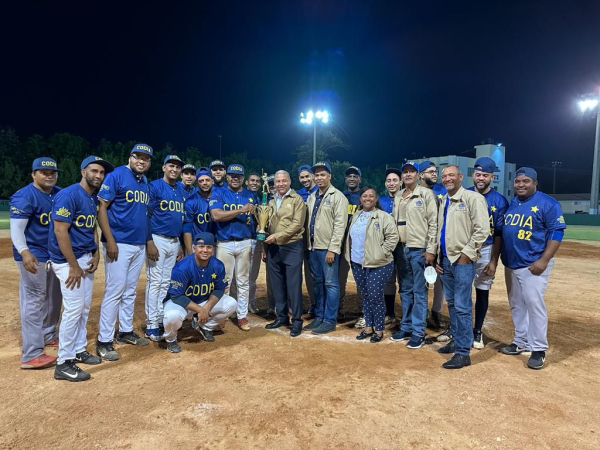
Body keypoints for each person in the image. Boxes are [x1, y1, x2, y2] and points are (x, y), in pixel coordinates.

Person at [50, 156, 114, 381]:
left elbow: (92, 229)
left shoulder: (93, 198)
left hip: (85, 258)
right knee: (74, 309)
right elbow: (60, 231)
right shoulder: (69, 195)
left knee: (84, 308)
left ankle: (78, 349)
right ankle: (63, 362)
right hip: (68, 262)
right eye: (94, 171)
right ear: (82, 171)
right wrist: (73, 266)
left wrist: (96, 254)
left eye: (101, 173)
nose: (98, 175)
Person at [500, 167, 566, 370]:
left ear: (535, 183)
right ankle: (521, 342)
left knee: (534, 305)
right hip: (511, 263)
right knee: (517, 305)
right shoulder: (512, 203)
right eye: (518, 181)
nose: (521, 184)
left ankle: (538, 349)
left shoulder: (548, 203)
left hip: (533, 264)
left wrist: (544, 260)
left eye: (526, 181)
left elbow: (557, 233)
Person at [95, 143, 153, 362]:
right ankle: (103, 341)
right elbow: (102, 208)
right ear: (130, 158)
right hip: (118, 243)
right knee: (115, 291)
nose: (141, 161)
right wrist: (109, 240)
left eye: (145, 159)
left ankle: (125, 331)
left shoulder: (143, 181)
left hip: (137, 244)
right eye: (137, 157)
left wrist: (146, 242)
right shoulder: (116, 175)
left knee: (130, 291)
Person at [10, 157, 62, 369]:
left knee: (54, 297)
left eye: (52, 172)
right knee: (34, 300)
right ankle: (31, 354)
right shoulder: (25, 196)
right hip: (33, 256)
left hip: (53, 254)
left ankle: (48, 333)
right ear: (33, 174)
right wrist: (24, 252)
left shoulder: (58, 194)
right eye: (43, 172)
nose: (49, 175)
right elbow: (17, 229)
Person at [435, 165, 489, 369]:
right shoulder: (444, 200)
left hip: (462, 260)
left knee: (463, 305)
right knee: (452, 303)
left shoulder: (474, 198)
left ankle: (463, 352)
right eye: (444, 176)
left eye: (451, 175)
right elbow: (440, 230)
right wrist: (438, 256)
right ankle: (457, 339)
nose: (447, 179)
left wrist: (467, 254)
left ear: (460, 177)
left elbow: (482, 230)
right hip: (446, 259)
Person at [389, 162, 438, 349]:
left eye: (412, 172)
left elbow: (434, 223)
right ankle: (406, 326)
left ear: (418, 175)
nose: (408, 174)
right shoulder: (398, 196)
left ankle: (418, 331)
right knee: (405, 290)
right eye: (405, 172)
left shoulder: (426, 195)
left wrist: (431, 249)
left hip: (419, 249)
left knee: (419, 291)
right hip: (401, 249)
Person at [162, 232, 237, 352]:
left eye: (209, 247)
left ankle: (205, 327)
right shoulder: (182, 267)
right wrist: (200, 310)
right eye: (201, 247)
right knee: (172, 316)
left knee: (231, 304)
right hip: (181, 304)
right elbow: (176, 296)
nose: (205, 250)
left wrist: (207, 307)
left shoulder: (217, 265)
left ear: (213, 249)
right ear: (194, 248)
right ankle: (171, 339)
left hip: (203, 302)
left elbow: (219, 289)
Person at [345, 186, 398, 342]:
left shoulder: (383, 216)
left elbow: (392, 238)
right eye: (364, 196)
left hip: (378, 264)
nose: (367, 198)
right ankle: (368, 327)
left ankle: (379, 329)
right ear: (360, 199)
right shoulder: (356, 216)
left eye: (371, 196)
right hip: (358, 262)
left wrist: (381, 253)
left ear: (376, 199)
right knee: (366, 296)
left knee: (375, 296)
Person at [208, 164, 258, 331]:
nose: (235, 178)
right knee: (225, 282)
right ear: (227, 177)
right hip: (224, 243)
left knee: (243, 281)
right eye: (232, 175)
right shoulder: (219, 192)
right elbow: (215, 215)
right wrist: (240, 210)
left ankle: (242, 315)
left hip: (245, 241)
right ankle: (223, 315)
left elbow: (259, 218)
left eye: (238, 176)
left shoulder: (251, 195)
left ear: (243, 178)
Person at [144, 155, 187, 341]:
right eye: (171, 165)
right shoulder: (154, 186)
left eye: (178, 167)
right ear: (163, 167)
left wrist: (180, 245)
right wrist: (149, 241)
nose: (175, 169)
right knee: (155, 282)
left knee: (166, 282)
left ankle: (161, 317)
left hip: (174, 241)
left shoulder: (180, 190)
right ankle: (151, 323)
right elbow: (146, 215)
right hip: (158, 238)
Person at [468, 157, 509, 349]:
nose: (481, 178)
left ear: (492, 176)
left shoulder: (499, 200)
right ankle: (459, 329)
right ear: (473, 175)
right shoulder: (463, 194)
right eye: (478, 174)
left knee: (482, 291)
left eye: (485, 175)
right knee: (460, 291)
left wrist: (494, 260)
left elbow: (499, 233)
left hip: (486, 248)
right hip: (463, 248)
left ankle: (477, 331)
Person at [305, 161, 349, 334]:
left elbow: (340, 225)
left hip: (327, 248)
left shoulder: (338, 197)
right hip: (313, 247)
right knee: (318, 283)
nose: (319, 177)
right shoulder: (312, 196)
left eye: (323, 174)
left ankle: (330, 320)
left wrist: (333, 249)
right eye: (316, 175)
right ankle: (319, 317)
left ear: (330, 176)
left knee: (331, 284)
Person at [263, 170, 307, 337]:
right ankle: (281, 317)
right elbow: (266, 222)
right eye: (277, 181)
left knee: (293, 285)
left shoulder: (297, 200)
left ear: (289, 181)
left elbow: (297, 225)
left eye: (283, 181)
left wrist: (277, 236)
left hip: (291, 246)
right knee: (277, 285)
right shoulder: (271, 200)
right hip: (274, 248)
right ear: (274, 183)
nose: (280, 184)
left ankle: (297, 321)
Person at [419, 160, 447, 332]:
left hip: (439, 242)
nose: (434, 174)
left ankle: (436, 311)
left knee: (439, 279)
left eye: (435, 171)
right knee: (419, 281)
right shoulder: (415, 192)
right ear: (421, 175)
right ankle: (419, 313)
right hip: (419, 243)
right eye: (430, 171)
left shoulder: (442, 192)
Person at [240, 172, 273, 314]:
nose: (254, 183)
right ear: (246, 182)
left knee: (252, 275)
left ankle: (251, 301)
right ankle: (237, 303)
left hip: (256, 240)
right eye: (252, 180)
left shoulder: (259, 199)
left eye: (257, 181)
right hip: (243, 239)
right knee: (240, 275)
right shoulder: (241, 196)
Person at [377, 167, 403, 327]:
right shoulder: (381, 201)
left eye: (394, 180)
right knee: (388, 281)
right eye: (388, 180)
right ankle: (390, 313)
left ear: (400, 182)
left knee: (406, 282)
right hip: (386, 246)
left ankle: (410, 314)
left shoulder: (407, 198)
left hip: (403, 246)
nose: (391, 183)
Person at [339, 166, 362, 320]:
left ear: (359, 179)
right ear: (345, 179)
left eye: (355, 176)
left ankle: (363, 311)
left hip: (359, 244)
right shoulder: (340, 197)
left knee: (361, 279)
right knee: (339, 278)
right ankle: (338, 308)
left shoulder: (365, 196)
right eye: (349, 176)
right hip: (342, 243)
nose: (352, 178)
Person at [296, 164, 317, 317]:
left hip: (316, 242)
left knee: (316, 276)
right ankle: (312, 304)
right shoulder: (297, 194)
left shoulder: (321, 192)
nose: (305, 180)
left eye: (307, 176)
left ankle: (319, 305)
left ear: (313, 176)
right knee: (305, 276)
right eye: (302, 177)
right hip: (299, 241)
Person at [183, 168, 214, 255]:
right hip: (197, 244)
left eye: (207, 180)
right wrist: (189, 252)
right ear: (197, 183)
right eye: (201, 181)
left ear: (212, 181)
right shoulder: (191, 201)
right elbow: (187, 229)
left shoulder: (219, 198)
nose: (204, 183)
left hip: (215, 243)